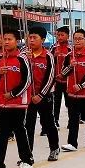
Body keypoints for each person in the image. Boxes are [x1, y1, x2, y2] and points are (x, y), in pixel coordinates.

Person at [0, 30, 34, 168]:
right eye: (3, 39)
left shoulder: (22, 58)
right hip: (2, 102)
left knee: (19, 129)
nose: (6, 42)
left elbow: (27, 80)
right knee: (1, 132)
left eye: (9, 39)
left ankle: (27, 160)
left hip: (18, 101)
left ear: (17, 41)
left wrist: (12, 94)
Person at [25, 25, 60, 160]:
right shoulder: (25, 54)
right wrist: (27, 61)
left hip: (44, 96)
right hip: (28, 96)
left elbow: (51, 78)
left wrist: (40, 95)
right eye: (30, 37)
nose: (31, 40)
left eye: (35, 38)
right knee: (28, 125)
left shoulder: (48, 56)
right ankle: (28, 154)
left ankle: (54, 148)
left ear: (43, 39)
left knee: (48, 123)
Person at [62, 29, 85, 150]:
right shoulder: (69, 56)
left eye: (80, 38)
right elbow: (63, 73)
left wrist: (81, 85)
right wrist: (70, 66)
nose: (77, 41)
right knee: (73, 119)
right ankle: (72, 143)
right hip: (72, 94)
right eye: (75, 38)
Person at [52, 26, 71, 127]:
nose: (59, 37)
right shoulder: (54, 48)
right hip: (57, 81)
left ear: (67, 36)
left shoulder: (70, 49)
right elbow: (49, 63)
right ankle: (55, 120)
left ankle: (71, 120)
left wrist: (64, 74)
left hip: (67, 80)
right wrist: (54, 56)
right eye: (58, 35)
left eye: (62, 35)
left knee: (69, 102)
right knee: (56, 102)